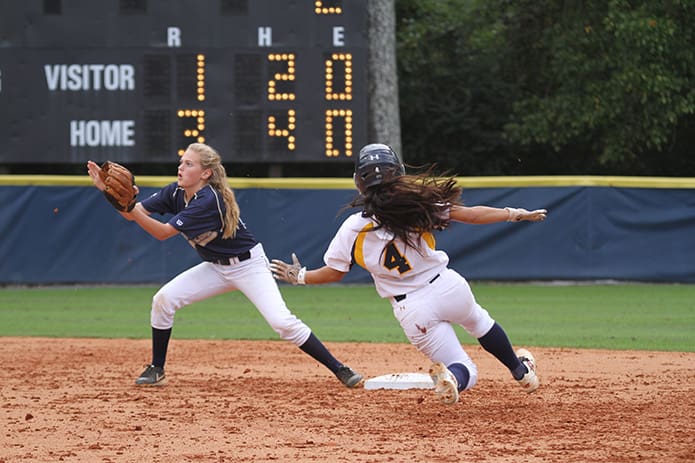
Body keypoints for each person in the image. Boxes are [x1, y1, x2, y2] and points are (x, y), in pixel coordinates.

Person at [270, 143, 546, 404]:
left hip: (411, 308)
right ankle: (519, 370)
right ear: (400, 173)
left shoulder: (354, 228)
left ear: (358, 183)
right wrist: (515, 213)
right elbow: (472, 215)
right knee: (479, 322)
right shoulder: (417, 206)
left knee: (465, 368)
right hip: (447, 286)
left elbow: (334, 273)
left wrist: (300, 276)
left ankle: (453, 377)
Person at [86, 142, 362, 388]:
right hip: (216, 267)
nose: (181, 167)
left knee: (282, 322)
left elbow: (161, 232)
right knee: (163, 300)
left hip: (249, 266)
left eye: (189, 163)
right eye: (181, 161)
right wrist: (113, 196)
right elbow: (134, 215)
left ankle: (340, 368)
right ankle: (157, 368)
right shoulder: (174, 193)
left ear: (205, 173)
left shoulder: (209, 200)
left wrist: (129, 205)